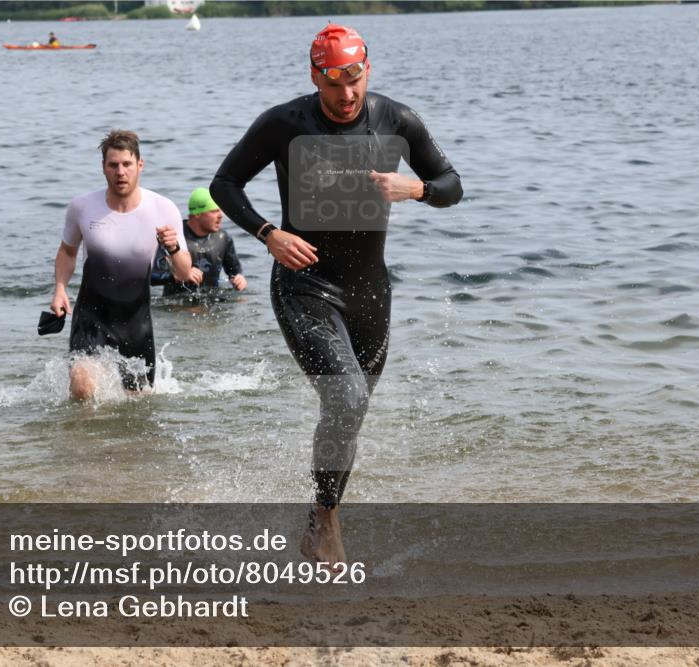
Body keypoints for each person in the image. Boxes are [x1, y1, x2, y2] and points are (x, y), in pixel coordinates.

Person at [211, 23, 462, 566]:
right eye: (333, 83)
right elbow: (224, 185)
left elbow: (451, 184)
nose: (346, 95)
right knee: (344, 397)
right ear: (314, 77)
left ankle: (318, 517)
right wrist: (267, 234)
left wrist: (415, 188)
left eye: (354, 79)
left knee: (352, 410)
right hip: (305, 286)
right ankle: (327, 524)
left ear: (367, 69)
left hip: (371, 290)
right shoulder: (285, 123)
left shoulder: (397, 119)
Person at [50, 129, 193, 400]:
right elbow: (67, 252)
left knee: (136, 410)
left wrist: (173, 247)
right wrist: (59, 289)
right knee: (82, 388)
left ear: (140, 165)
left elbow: (184, 272)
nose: (120, 172)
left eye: (127, 164)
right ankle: (84, 443)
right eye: (113, 165)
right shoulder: (82, 207)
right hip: (91, 318)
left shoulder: (162, 209)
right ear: (103, 168)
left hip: (135, 324)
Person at [152, 187, 247, 299]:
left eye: (220, 210)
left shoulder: (223, 238)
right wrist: (179, 275)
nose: (221, 215)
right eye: (214, 211)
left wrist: (239, 279)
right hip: (178, 305)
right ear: (197, 214)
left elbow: (234, 271)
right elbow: (152, 277)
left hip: (213, 302)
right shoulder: (173, 238)